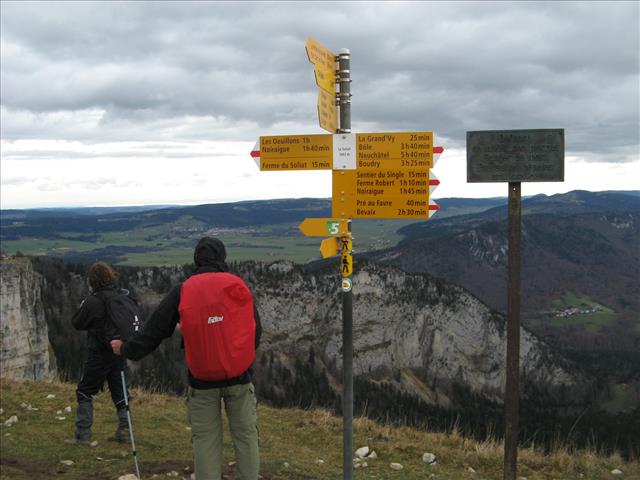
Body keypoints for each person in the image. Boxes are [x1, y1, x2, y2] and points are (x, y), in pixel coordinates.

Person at [111, 237, 262, 480]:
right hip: (239, 378)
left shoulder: (184, 290)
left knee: (205, 440)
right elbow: (255, 330)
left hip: (202, 380)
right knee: (246, 436)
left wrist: (127, 349)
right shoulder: (237, 285)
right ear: (222, 258)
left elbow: (154, 331)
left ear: (196, 260)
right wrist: (240, 359)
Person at [66, 261, 129, 445]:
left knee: (85, 391)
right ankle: (125, 432)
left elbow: (77, 323)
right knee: (120, 392)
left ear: (93, 281)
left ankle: (82, 434)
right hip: (118, 350)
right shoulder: (121, 296)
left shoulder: (93, 301)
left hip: (99, 353)